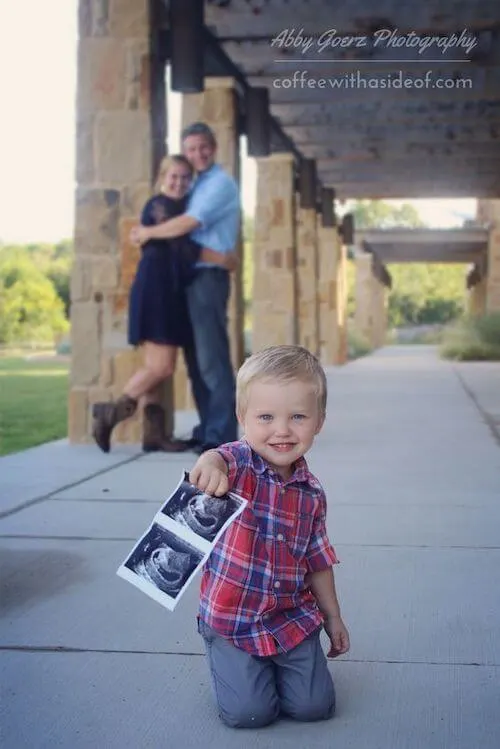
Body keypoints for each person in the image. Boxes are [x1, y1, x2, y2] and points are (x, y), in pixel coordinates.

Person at [188, 345, 350, 729]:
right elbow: (217, 457)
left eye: (297, 416)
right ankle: (232, 661)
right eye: (265, 417)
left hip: (290, 616)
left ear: (319, 421)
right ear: (242, 418)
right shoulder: (236, 467)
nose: (281, 430)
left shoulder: (311, 493)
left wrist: (333, 618)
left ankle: (283, 667)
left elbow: (318, 561)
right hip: (233, 620)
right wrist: (208, 462)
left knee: (314, 708)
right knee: (251, 714)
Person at [92, 154, 233, 453]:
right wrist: (220, 258)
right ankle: (109, 412)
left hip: (172, 292)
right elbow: (181, 245)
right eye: (173, 176)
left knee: (156, 365)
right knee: (162, 366)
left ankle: (154, 435)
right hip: (157, 292)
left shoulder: (182, 207)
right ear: (161, 177)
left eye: (185, 177)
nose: (179, 182)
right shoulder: (160, 206)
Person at [130, 122, 240, 454]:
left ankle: (220, 435)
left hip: (207, 278)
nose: (197, 154)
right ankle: (207, 427)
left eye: (203, 147)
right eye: (191, 148)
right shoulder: (196, 184)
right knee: (195, 362)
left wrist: (148, 232)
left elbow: (189, 225)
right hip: (189, 279)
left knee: (211, 360)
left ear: (214, 147)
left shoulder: (219, 184)